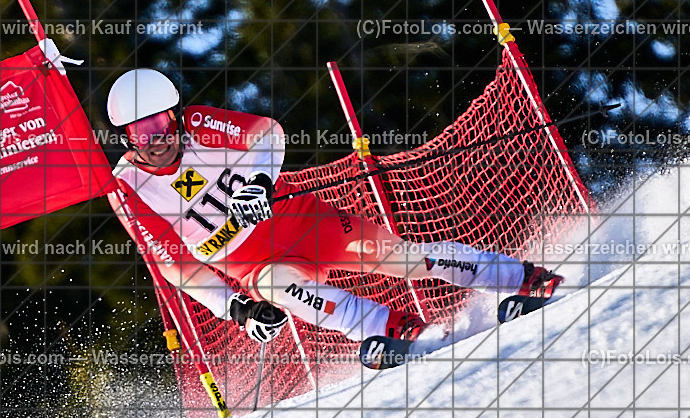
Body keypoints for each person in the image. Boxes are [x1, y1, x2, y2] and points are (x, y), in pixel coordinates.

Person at [106, 69, 563, 344]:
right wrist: (238, 311)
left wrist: (258, 184)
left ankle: (523, 279)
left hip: (303, 221)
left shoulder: (199, 123)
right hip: (252, 265)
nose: (156, 139)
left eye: (160, 123)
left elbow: (268, 133)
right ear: (127, 138)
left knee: (404, 259)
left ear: (175, 115)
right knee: (283, 289)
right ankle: (395, 329)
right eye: (140, 133)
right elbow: (176, 267)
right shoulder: (128, 188)